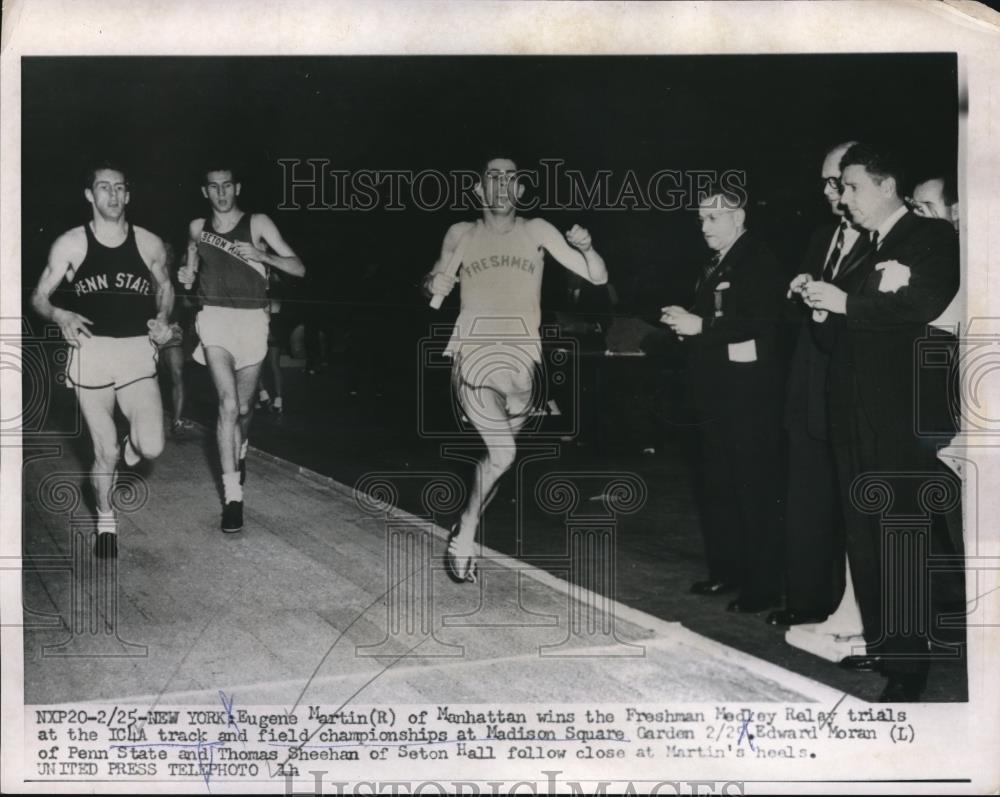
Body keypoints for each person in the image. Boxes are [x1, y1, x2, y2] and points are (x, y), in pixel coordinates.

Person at [801, 142, 959, 701]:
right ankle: (888, 643)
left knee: (898, 534)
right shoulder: (865, 250)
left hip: (897, 413)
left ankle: (909, 669)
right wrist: (823, 305)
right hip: (852, 411)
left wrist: (845, 305)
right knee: (865, 536)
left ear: (886, 185)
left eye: (851, 187)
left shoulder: (933, 238)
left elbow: (922, 303)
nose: (843, 199)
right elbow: (835, 332)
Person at [425, 153, 608, 582]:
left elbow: (597, 277)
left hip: (524, 364)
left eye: (511, 178)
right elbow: (433, 279)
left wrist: (587, 248)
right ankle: (467, 531)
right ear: (479, 189)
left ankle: (464, 524)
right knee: (505, 452)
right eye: (493, 177)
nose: (502, 184)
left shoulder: (537, 230)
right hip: (474, 356)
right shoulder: (462, 233)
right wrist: (433, 282)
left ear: (520, 190)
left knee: (497, 460)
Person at [31, 162, 173, 558]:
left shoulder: (149, 243)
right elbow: (39, 297)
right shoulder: (71, 243)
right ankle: (106, 520)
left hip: (134, 350)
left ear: (128, 195)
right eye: (103, 188)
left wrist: (162, 318)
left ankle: (133, 444)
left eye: (119, 188)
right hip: (91, 351)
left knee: (154, 446)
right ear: (89, 195)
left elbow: (166, 287)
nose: (112, 195)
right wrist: (60, 314)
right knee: (104, 450)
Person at [661, 186, 784, 613]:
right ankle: (728, 573)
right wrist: (687, 324)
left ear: (738, 217)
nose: (704, 227)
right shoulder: (716, 262)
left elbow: (757, 319)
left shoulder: (757, 258)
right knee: (719, 488)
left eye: (712, 218)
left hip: (747, 398)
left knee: (752, 491)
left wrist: (701, 327)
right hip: (714, 396)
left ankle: (764, 586)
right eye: (700, 219)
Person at [772, 141, 870, 628]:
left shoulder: (881, 242)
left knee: (855, 506)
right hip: (809, 388)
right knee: (808, 496)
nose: (833, 193)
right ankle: (808, 601)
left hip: (852, 390)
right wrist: (799, 290)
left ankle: (855, 612)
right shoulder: (821, 235)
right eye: (828, 184)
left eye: (842, 182)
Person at [179, 165, 305, 533]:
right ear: (205, 191)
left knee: (246, 407)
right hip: (214, 319)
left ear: (238, 187)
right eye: (213, 187)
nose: (221, 193)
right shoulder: (195, 227)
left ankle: (242, 445)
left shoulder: (259, 222)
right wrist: (186, 276)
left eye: (227, 186)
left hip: (252, 321)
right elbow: (190, 264)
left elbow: (299, 268)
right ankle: (233, 498)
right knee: (228, 404)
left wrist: (262, 257)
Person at [155, 242, 195, 435]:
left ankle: (177, 420)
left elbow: (188, 302)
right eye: (164, 251)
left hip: (172, 331)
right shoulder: (145, 274)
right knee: (147, 377)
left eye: (170, 251)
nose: (167, 255)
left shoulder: (178, 277)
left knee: (177, 374)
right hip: (146, 332)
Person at [257, 267, 287, 415]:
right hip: (271, 324)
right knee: (269, 364)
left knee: (260, 363)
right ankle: (273, 398)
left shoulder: (271, 282)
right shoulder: (276, 282)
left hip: (269, 325)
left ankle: (265, 395)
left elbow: (272, 307)